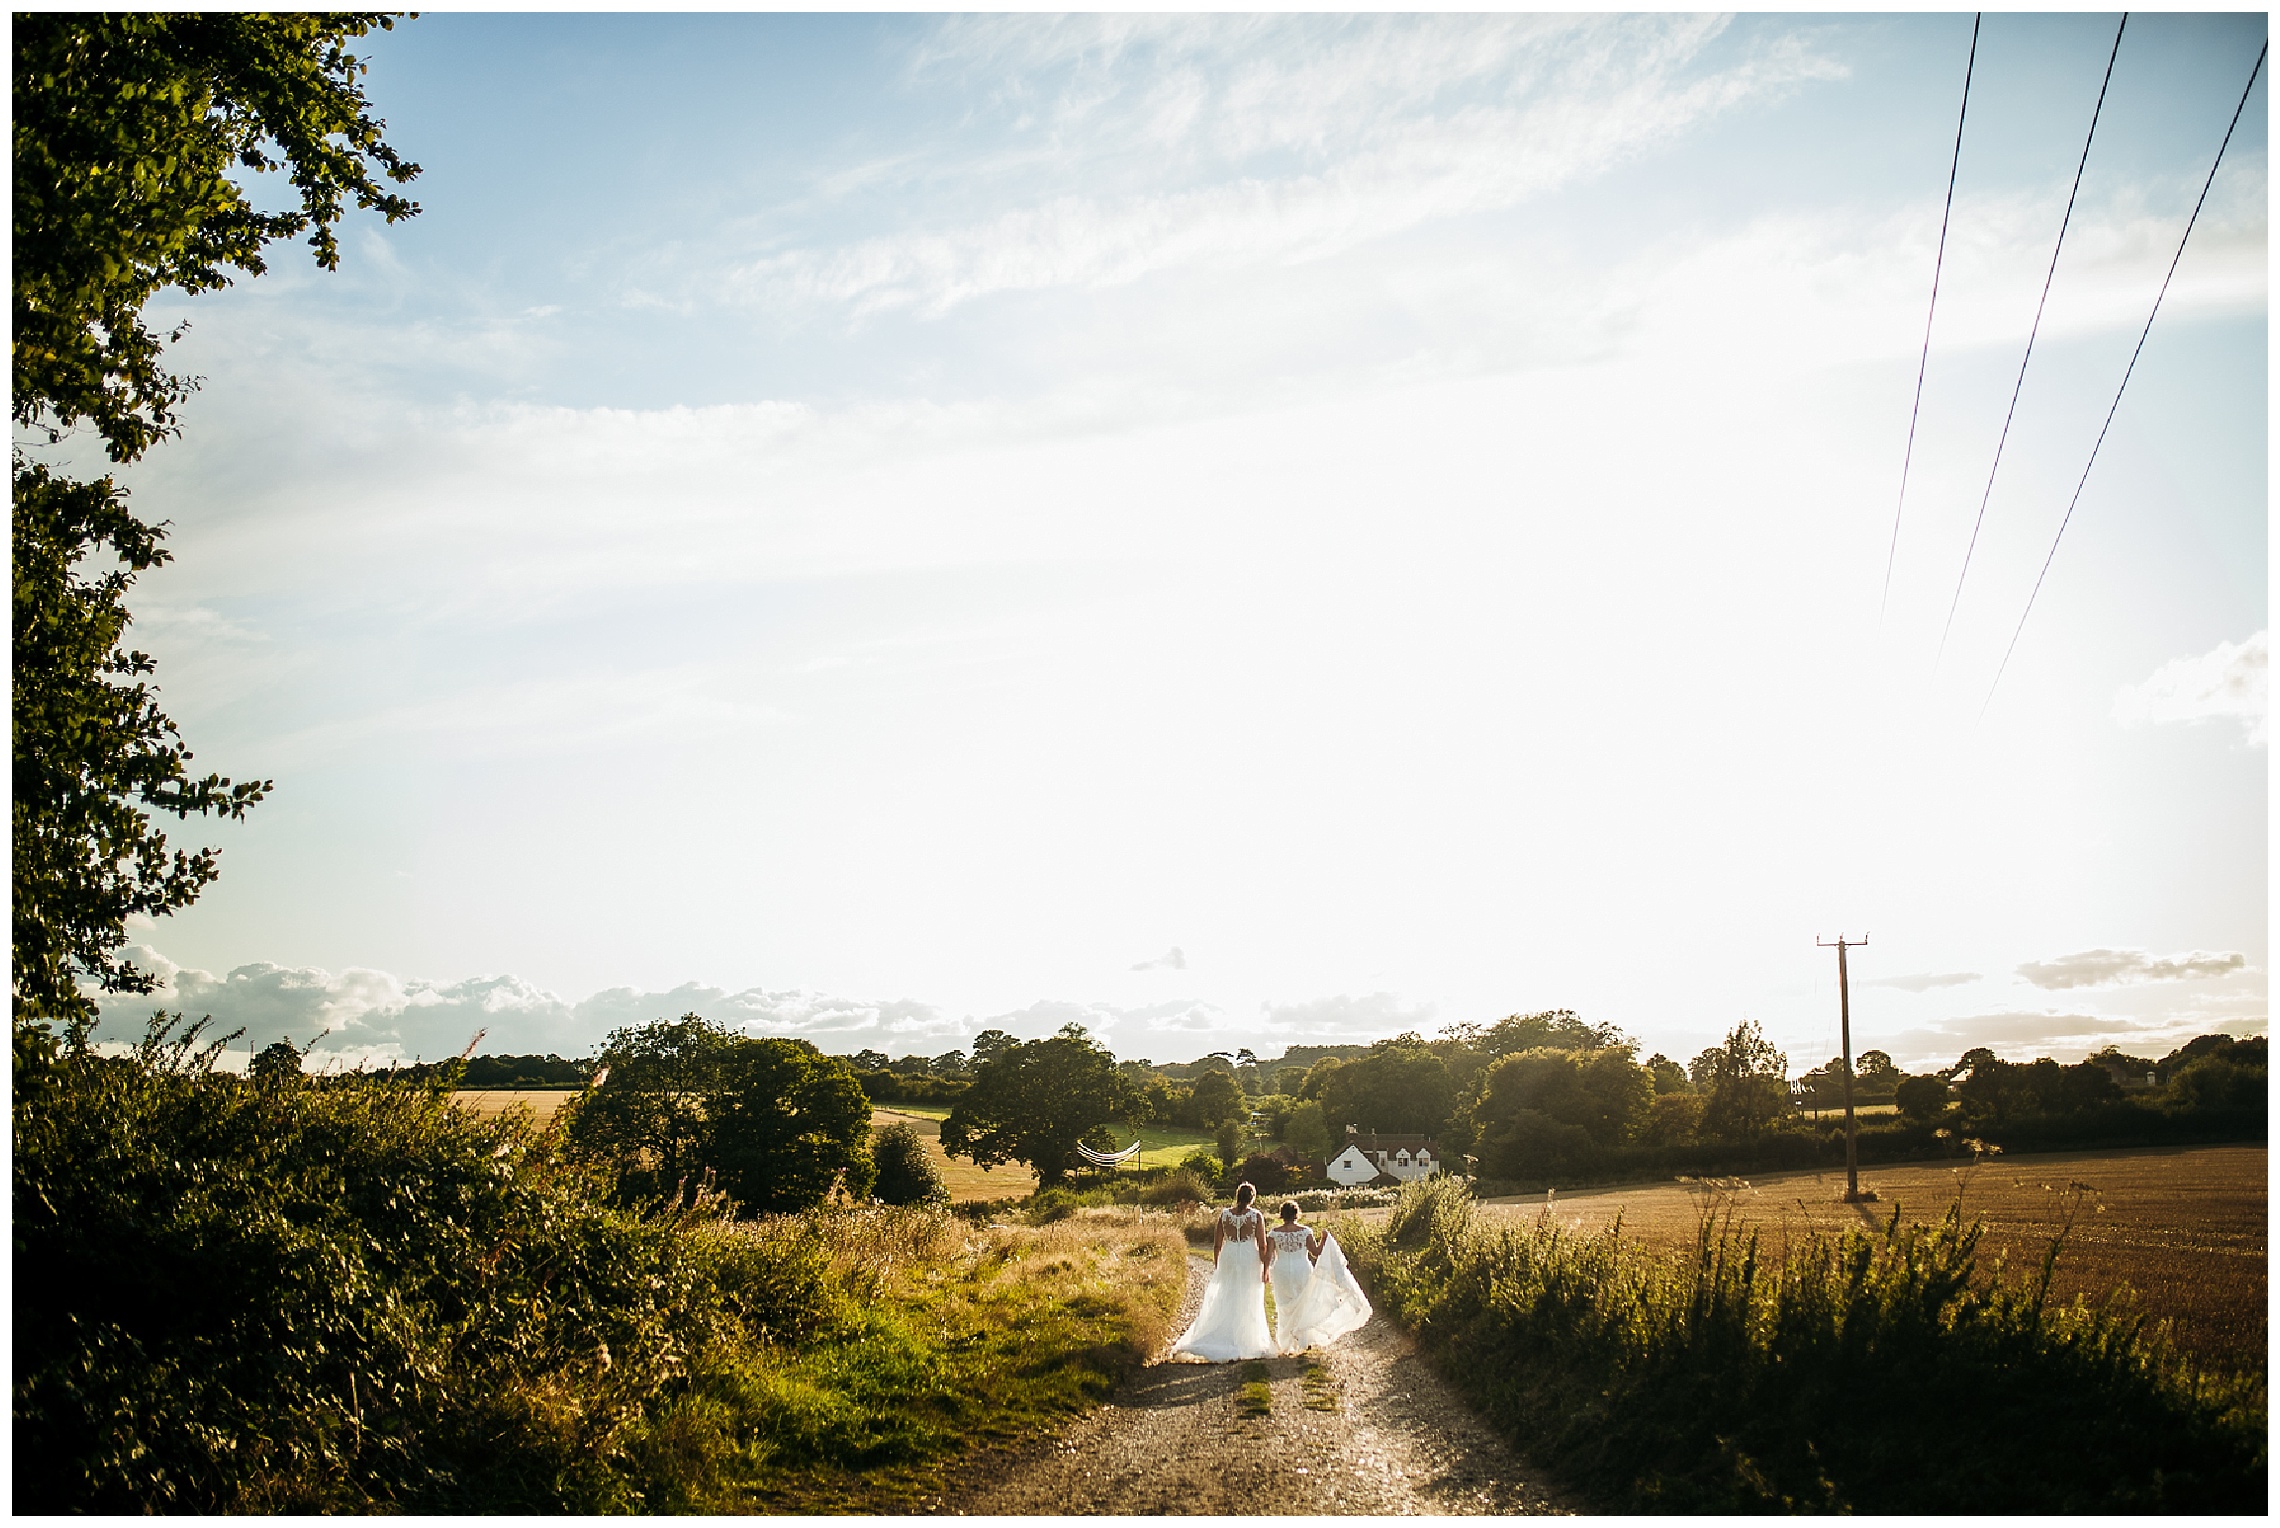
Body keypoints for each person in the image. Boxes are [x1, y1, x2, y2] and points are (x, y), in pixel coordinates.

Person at [1168, 1182, 1275, 1362]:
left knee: (1227, 1293)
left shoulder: (1224, 1215)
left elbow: (1217, 1244)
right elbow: (1262, 1245)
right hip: (1249, 1256)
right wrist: (1265, 1268)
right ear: (1252, 1198)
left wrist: (1218, 1265)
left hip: (1230, 1255)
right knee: (1249, 1295)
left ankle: (1223, 1334)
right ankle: (1246, 1339)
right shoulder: (1256, 1216)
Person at [1267, 1198, 1372, 1354]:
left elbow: (1268, 1255)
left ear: (1282, 1215)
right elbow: (1316, 1253)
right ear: (1297, 1214)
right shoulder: (1305, 1232)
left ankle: (1286, 1342)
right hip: (1301, 1269)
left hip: (1281, 1270)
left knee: (1283, 1306)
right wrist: (1324, 1240)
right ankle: (1302, 1339)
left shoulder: (1274, 1233)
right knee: (1303, 1304)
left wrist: (1265, 1271)